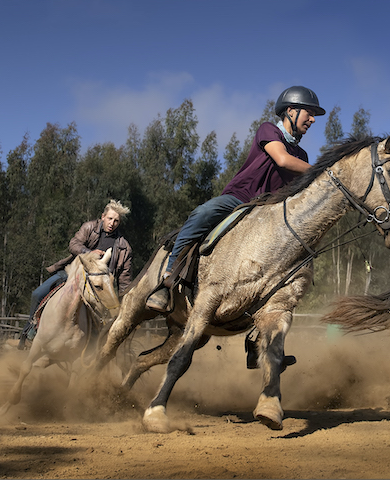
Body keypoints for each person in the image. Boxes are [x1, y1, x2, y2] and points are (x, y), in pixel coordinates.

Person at [144, 86, 325, 370]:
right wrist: (322, 170)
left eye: (314, 115)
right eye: (309, 113)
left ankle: (257, 342)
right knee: (201, 214)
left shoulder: (300, 151)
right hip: (239, 200)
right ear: (291, 110)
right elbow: (280, 159)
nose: (312, 119)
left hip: (266, 216)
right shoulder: (269, 131)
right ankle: (166, 282)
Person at [19, 199, 133, 349]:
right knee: (37, 294)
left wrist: (126, 302)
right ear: (103, 217)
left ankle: (92, 356)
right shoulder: (89, 227)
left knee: (103, 324)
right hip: (72, 274)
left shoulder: (124, 247)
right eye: (110, 218)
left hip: (98, 288)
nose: (112, 223)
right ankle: (29, 330)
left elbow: (125, 279)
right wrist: (89, 253)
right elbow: (73, 244)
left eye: (116, 220)